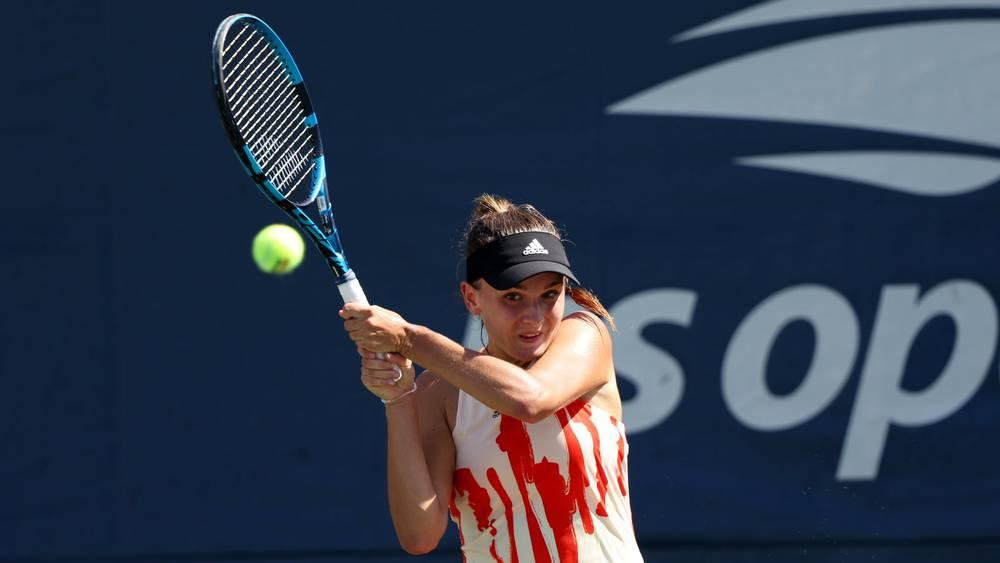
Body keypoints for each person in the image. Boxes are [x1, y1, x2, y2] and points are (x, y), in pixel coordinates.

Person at [339, 194, 644, 562]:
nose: (534, 317)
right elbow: (420, 535)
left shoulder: (585, 334)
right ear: (471, 298)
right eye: (513, 297)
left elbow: (530, 400)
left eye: (550, 294)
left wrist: (408, 337)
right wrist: (399, 399)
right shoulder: (440, 395)